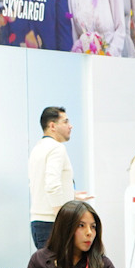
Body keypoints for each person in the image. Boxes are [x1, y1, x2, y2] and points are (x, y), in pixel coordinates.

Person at [29, 106, 87, 248]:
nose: (70, 126)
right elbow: (52, 185)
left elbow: (42, 185)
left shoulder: (38, 148)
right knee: (58, 263)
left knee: (47, 262)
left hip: (39, 221)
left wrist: (71, 195)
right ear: (52, 126)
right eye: (65, 122)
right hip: (53, 223)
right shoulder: (56, 148)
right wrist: (63, 219)